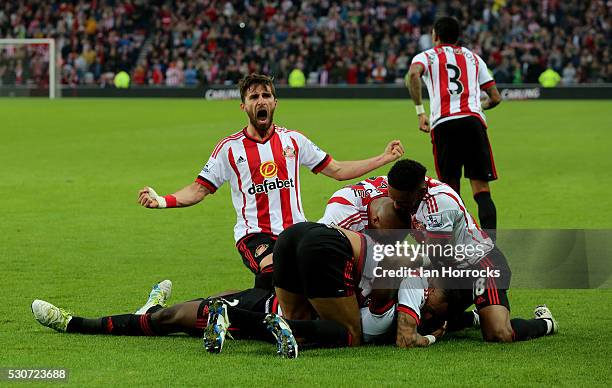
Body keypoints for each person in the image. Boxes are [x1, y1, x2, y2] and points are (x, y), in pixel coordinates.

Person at [138, 74, 404, 289]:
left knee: (309, 276)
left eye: (266, 95)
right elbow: (198, 190)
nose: (260, 100)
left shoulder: (294, 141)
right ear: (244, 106)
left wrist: (382, 158)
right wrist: (162, 201)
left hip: (296, 232)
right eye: (253, 97)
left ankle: (235, 314)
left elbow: (336, 169)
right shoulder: (229, 149)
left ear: (275, 102)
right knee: (275, 270)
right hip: (256, 235)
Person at [385, 159, 558, 342]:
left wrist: (404, 261)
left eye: (402, 202)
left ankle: (546, 322)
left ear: (418, 192)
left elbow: (435, 253)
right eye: (393, 199)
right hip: (450, 267)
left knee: (499, 334)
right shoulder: (405, 192)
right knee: (422, 322)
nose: (396, 206)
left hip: (481, 264)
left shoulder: (439, 204)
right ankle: (474, 317)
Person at [406, 16, 501, 234]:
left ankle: (454, 250)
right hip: (473, 124)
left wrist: (420, 113)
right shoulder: (474, 58)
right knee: (482, 191)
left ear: (435, 35)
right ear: (457, 37)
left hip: (444, 125)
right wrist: (476, 106)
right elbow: (495, 97)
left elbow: (413, 74)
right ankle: (491, 249)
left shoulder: (427, 56)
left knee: (449, 191)